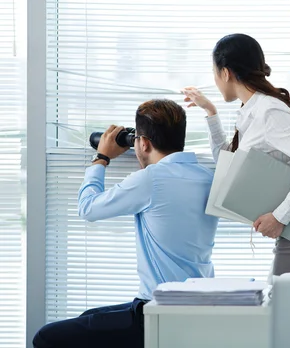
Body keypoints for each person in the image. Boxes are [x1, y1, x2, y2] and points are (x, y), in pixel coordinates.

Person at [33, 99, 219, 348]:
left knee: (46, 337)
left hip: (158, 313)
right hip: (196, 307)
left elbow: (87, 208)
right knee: (88, 317)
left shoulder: (150, 179)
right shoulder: (208, 177)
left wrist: (101, 157)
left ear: (143, 142)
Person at [182, 33, 290, 277]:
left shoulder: (269, 112)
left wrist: (279, 217)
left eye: (214, 72)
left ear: (225, 73)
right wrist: (210, 112)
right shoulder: (251, 111)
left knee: (288, 311)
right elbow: (228, 164)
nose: (215, 78)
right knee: (285, 308)